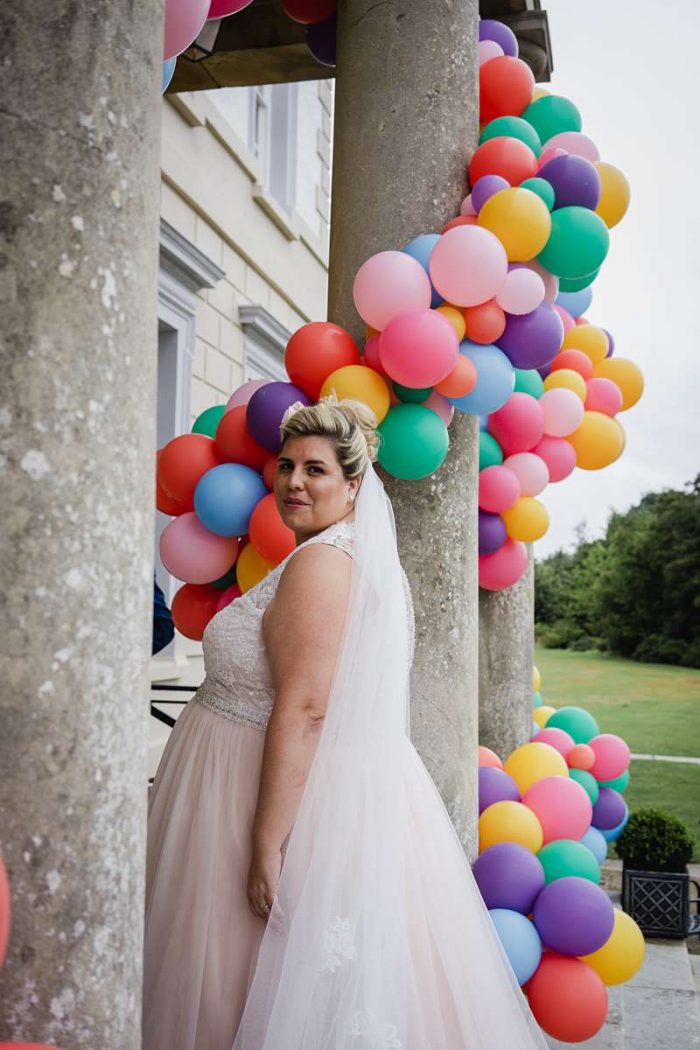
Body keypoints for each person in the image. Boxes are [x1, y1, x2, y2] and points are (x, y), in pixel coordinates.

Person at [143, 396, 547, 1050]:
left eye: (316, 470)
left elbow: (306, 709)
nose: (294, 482)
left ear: (354, 485)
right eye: (285, 466)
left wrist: (266, 844)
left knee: (225, 981)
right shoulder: (330, 554)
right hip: (231, 787)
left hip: (249, 802)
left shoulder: (325, 564)